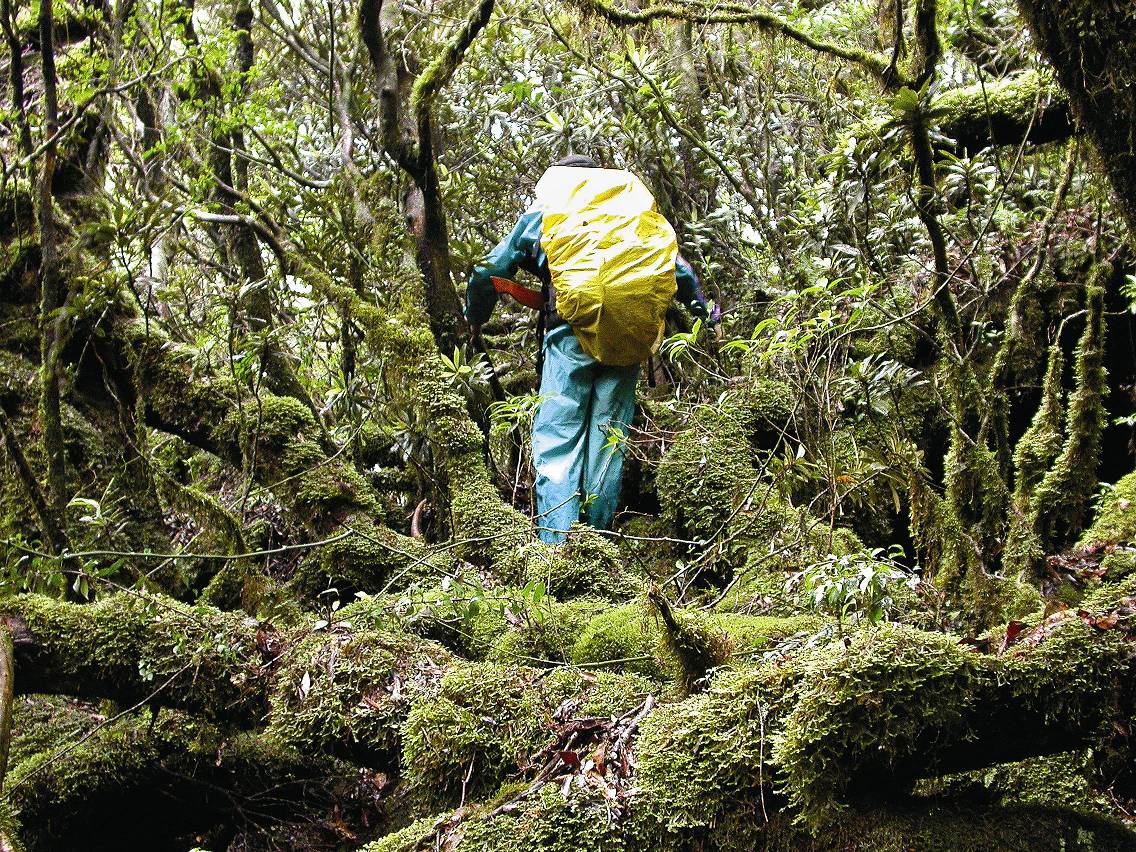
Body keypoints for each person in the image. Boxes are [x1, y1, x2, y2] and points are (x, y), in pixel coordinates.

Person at [466, 154, 718, 543]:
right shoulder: (628, 208)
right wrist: (707, 311)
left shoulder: (550, 210)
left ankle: (559, 548)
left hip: (569, 333)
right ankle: (594, 544)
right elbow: (679, 269)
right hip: (628, 335)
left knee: (558, 438)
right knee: (608, 438)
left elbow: (490, 269)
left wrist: (474, 315)